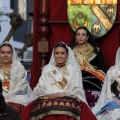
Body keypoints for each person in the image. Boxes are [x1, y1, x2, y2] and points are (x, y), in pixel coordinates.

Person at [20, 42, 97, 120]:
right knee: (40, 105)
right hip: (48, 96)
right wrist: (48, 95)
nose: (59, 56)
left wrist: (64, 94)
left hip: (69, 96)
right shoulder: (48, 69)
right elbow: (40, 87)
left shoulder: (74, 69)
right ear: (53, 55)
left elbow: (77, 89)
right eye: (57, 53)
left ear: (67, 55)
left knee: (71, 105)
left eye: (62, 53)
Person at [70, 26, 108, 108]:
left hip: (93, 79)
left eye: (83, 35)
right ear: (75, 37)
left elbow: (101, 68)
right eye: (78, 35)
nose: (80, 37)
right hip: (75, 79)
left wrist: (89, 70)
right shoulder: (70, 52)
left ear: (87, 37)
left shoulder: (95, 51)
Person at [0, 41, 32, 112]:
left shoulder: (19, 68)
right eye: (3, 52)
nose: (5, 55)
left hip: (17, 98)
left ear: (12, 54)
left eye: (8, 53)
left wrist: (11, 96)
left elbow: (23, 87)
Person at [92, 47, 120, 120]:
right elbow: (108, 92)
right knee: (115, 113)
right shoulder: (112, 71)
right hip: (116, 102)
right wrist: (116, 100)